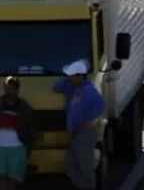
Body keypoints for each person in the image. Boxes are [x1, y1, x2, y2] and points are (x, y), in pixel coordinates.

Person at [54, 59, 105, 190]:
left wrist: (89, 122)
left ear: (79, 76)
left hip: (85, 134)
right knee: (70, 166)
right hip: (76, 134)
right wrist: (67, 80)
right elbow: (56, 86)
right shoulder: (74, 88)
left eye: (71, 76)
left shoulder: (89, 91)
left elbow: (100, 107)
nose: (69, 79)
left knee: (85, 167)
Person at [0, 76, 35, 190]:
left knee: (13, 180)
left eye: (11, 89)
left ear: (17, 90)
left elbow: (29, 128)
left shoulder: (24, 106)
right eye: (6, 88)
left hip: (18, 148)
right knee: (0, 178)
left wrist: (28, 147)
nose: (8, 91)